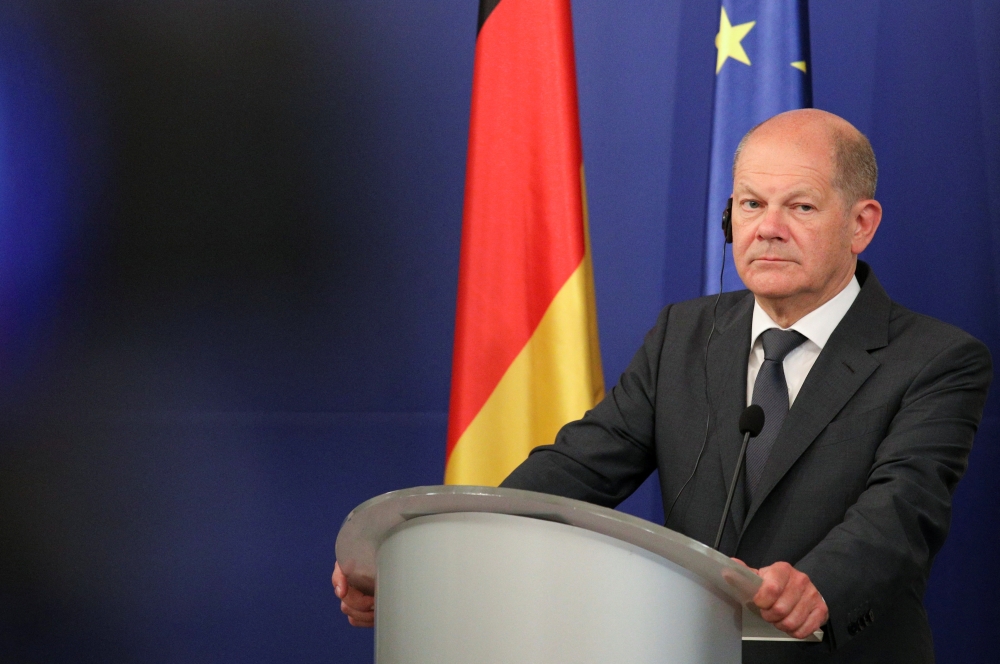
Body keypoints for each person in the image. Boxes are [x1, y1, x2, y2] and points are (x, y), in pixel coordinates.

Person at [333, 109, 992, 663]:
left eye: (802, 206)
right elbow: (577, 469)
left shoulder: (935, 359)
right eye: (750, 204)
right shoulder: (685, 334)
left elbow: (904, 509)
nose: (767, 228)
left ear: (861, 224)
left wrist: (819, 581)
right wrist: (435, 559)